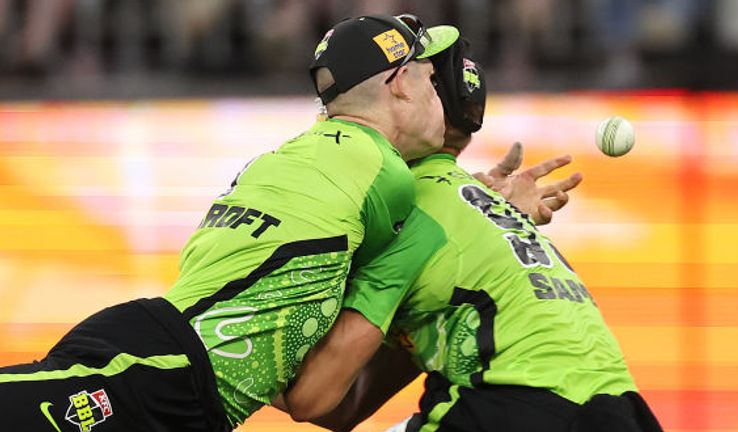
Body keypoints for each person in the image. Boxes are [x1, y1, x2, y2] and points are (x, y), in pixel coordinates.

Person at [0, 14, 461, 431]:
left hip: (162, 357)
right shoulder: (385, 176)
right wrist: (482, 197)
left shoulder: (290, 157)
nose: (439, 96)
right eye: (431, 80)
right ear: (400, 82)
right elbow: (316, 397)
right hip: (169, 374)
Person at [282, 37, 664, 432]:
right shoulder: (471, 216)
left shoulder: (396, 206)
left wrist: (231, 359)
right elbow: (345, 405)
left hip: (515, 405)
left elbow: (314, 397)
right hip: (624, 412)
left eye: (422, 79)